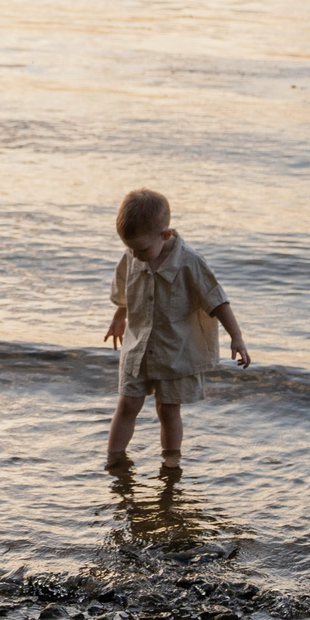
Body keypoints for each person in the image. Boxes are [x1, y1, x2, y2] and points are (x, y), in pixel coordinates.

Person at [101, 189, 249, 471]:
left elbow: (216, 300)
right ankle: (113, 459)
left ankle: (171, 462)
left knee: (168, 410)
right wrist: (120, 315)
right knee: (127, 404)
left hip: (174, 351)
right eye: (129, 247)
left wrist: (237, 337)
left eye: (141, 249)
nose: (135, 255)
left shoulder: (189, 261)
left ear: (165, 235)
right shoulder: (134, 254)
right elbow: (126, 289)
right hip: (139, 348)